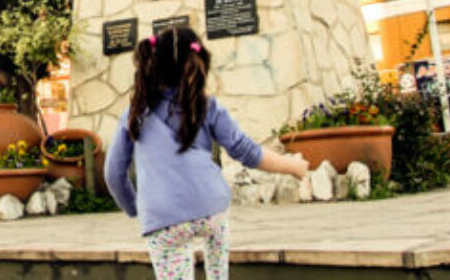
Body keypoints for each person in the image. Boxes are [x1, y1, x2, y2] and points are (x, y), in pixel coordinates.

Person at [105, 27, 309, 280]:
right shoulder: (206, 106)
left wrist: (135, 208)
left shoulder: (134, 115)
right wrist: (293, 166)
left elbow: (113, 173)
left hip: (164, 220)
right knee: (217, 249)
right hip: (211, 210)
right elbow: (245, 151)